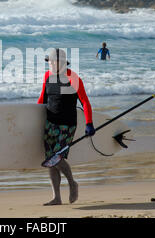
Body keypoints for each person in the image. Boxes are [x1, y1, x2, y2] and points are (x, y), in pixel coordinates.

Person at [37, 48, 95, 206]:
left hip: (67, 124)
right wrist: (32, 119)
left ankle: (72, 183)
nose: (50, 63)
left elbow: (85, 102)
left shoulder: (73, 78)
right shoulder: (47, 76)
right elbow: (43, 98)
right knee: (50, 161)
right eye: (49, 61)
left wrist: (89, 123)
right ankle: (57, 197)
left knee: (55, 158)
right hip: (50, 123)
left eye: (52, 61)